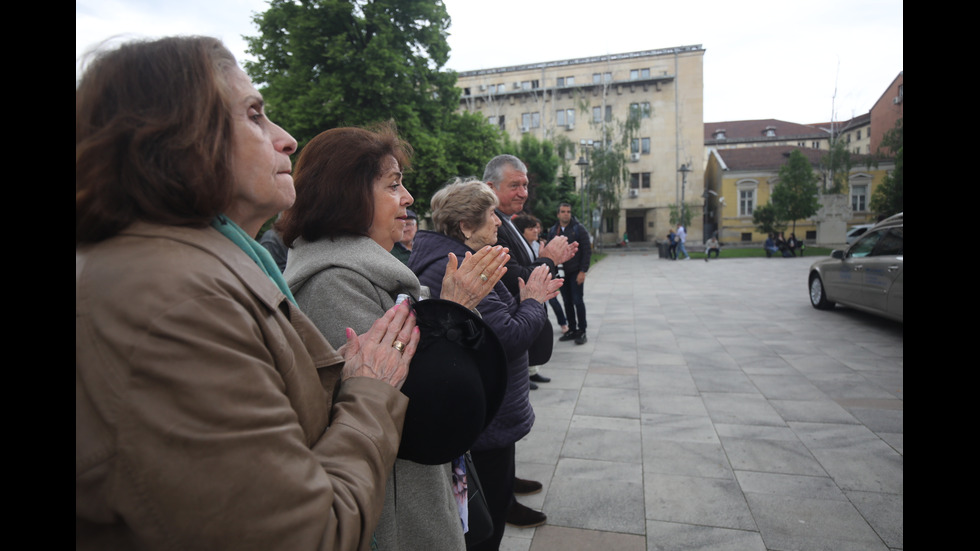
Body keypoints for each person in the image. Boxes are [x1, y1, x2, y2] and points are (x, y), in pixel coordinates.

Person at [77, 36, 420, 550]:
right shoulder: (178, 304)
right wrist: (370, 391)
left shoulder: (213, 268)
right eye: (255, 114)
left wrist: (336, 381)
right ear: (177, 135)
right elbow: (306, 535)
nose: (286, 139)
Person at [279, 124, 509, 551]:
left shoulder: (367, 272)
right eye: (393, 185)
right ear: (347, 193)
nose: (408, 199)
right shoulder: (334, 282)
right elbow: (420, 409)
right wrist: (454, 309)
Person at [408, 179, 561, 551]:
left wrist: (524, 300)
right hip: (484, 419)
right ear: (465, 227)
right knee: (486, 525)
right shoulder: (460, 266)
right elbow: (508, 336)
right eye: (491, 215)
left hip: (484, 412)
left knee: (490, 507)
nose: (498, 223)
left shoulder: (467, 257)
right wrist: (535, 301)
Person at [482, 154, 575, 525]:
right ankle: (501, 500)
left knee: (508, 422)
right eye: (514, 186)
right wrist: (549, 260)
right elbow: (512, 278)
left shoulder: (507, 221)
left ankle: (507, 482)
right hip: (507, 331)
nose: (523, 192)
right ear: (490, 188)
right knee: (499, 423)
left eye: (525, 185)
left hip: (517, 337)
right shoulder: (491, 225)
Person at [548, 203, 591, 345]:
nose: (566, 214)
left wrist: (583, 271)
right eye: (563, 211)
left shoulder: (578, 229)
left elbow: (586, 251)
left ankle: (582, 330)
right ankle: (572, 329)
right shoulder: (554, 231)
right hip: (561, 273)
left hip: (575, 272)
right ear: (558, 214)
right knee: (567, 302)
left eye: (568, 211)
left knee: (578, 301)